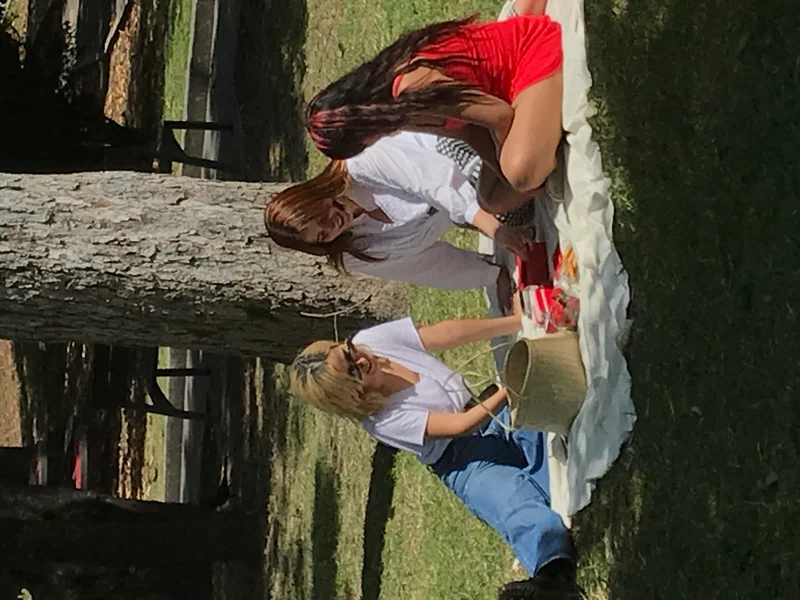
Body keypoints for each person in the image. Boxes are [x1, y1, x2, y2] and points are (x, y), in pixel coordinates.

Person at [288, 307, 584, 599]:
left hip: (487, 410)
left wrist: (517, 320)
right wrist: (510, 389)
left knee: (545, 436)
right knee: (514, 502)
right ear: (352, 395)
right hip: (464, 462)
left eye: (348, 350)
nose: (361, 359)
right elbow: (459, 426)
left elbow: (446, 333)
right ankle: (552, 577)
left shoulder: (372, 339)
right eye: (353, 371)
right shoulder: (380, 420)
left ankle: (555, 496)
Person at [304, 10, 564, 215]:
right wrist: (500, 171)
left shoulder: (412, 90)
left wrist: (509, 170)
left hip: (530, 55)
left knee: (519, 173)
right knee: (490, 200)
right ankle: (540, 155)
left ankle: (540, 161)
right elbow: (470, 134)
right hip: (506, 93)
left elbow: (500, 116)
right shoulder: (394, 111)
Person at [265, 131, 534, 312]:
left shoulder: (360, 165)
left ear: (313, 197)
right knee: (515, 214)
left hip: (447, 157)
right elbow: (426, 265)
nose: (331, 225)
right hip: (459, 207)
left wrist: (495, 230)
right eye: (322, 236)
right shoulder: (354, 252)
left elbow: (437, 182)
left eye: (319, 217)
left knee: (508, 196)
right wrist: (493, 275)